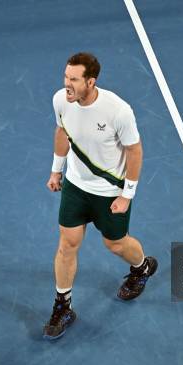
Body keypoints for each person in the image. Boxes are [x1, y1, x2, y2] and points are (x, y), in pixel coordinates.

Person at [43, 52, 158, 340]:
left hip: (109, 193)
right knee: (67, 245)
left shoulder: (118, 111)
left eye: (73, 79)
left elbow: (135, 151)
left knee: (116, 245)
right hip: (76, 186)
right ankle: (63, 305)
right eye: (65, 77)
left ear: (90, 82)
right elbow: (62, 132)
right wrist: (56, 171)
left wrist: (127, 195)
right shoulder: (61, 100)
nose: (66, 84)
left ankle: (142, 267)